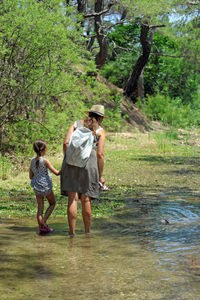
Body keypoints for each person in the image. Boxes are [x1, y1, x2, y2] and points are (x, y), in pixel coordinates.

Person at [61, 104, 106, 236]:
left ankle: (72, 233)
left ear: (89, 114)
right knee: (86, 200)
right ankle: (87, 233)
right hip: (89, 163)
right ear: (101, 118)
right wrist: (100, 176)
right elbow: (100, 155)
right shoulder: (100, 131)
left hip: (70, 163)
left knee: (72, 200)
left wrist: (68, 159)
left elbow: (65, 143)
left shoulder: (75, 124)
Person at [29, 139, 60, 233]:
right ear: (44, 150)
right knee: (52, 203)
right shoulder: (45, 161)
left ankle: (41, 228)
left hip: (36, 187)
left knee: (40, 209)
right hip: (46, 187)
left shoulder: (32, 161)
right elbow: (57, 173)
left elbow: (31, 176)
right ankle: (44, 222)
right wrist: (66, 168)